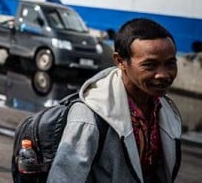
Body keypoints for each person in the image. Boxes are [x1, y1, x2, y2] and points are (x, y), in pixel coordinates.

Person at [48, 18, 181, 183]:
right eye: (149, 65)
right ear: (120, 61)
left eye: (170, 64)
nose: (163, 74)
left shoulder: (166, 110)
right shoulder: (90, 115)